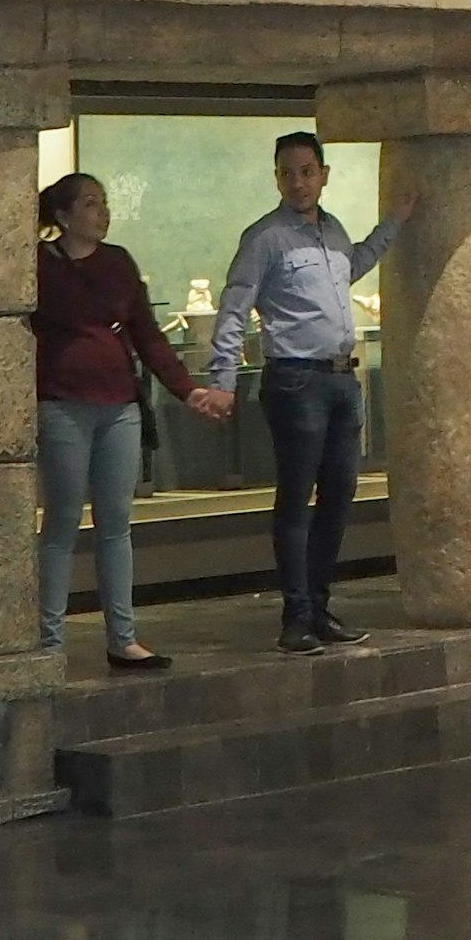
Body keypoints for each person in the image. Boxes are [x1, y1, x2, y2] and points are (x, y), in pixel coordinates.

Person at [196, 131, 399, 654]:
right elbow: (235, 305)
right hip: (295, 380)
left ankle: (320, 604)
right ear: (277, 178)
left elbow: (352, 265)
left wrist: (394, 224)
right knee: (296, 497)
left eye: (308, 171)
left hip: (340, 379)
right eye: (288, 173)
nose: (299, 182)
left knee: (339, 496)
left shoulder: (331, 233)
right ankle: (296, 616)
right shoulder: (265, 237)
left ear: (324, 174)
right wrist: (221, 378)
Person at [31, 171, 200, 673]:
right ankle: (48, 638)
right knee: (61, 520)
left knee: (116, 524)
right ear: (62, 216)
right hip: (63, 403)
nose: (101, 213)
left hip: (119, 405)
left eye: (103, 204)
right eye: (89, 204)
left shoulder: (118, 263)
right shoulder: (42, 266)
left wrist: (187, 389)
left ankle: (122, 636)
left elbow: (147, 334)